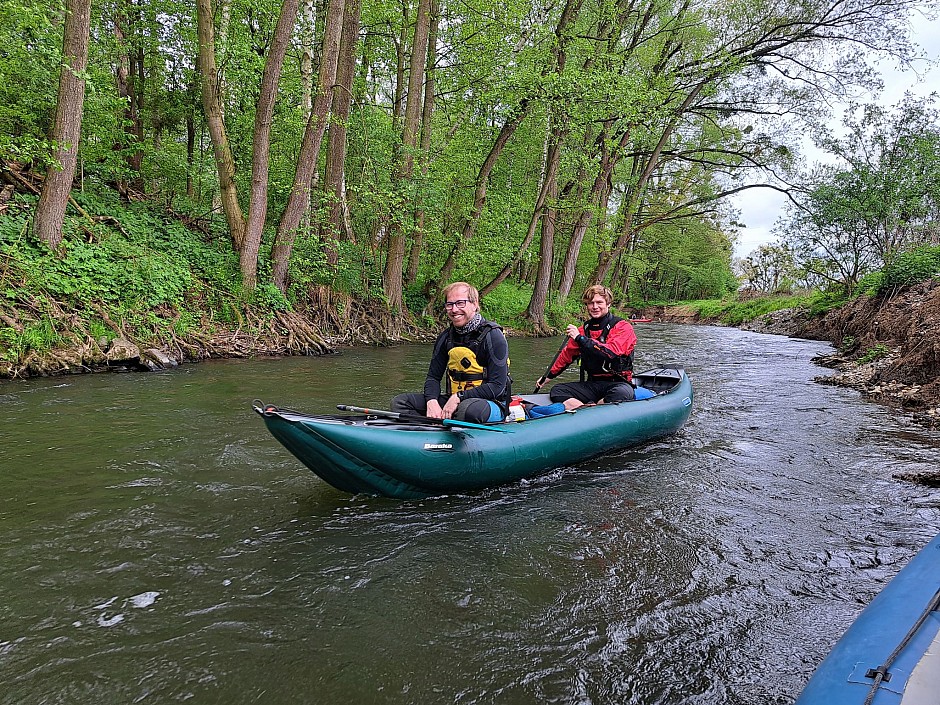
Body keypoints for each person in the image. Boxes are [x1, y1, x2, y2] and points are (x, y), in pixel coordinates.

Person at [391, 282, 511, 423]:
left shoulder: (493, 336)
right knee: (400, 402)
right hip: (455, 401)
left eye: (460, 303)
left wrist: (459, 397)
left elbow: (497, 386)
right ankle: (431, 429)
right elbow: (433, 378)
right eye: (450, 304)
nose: (454, 310)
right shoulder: (446, 337)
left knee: (467, 410)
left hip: (491, 403)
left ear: (474, 304)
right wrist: (432, 401)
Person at [534, 284, 636, 409]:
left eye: (599, 302)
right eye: (590, 303)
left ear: (608, 304)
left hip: (618, 384)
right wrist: (548, 377)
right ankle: (586, 411)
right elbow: (566, 356)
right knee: (557, 390)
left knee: (622, 394)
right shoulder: (583, 330)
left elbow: (611, 353)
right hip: (592, 384)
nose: (595, 307)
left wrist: (580, 338)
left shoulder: (623, 327)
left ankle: (592, 410)